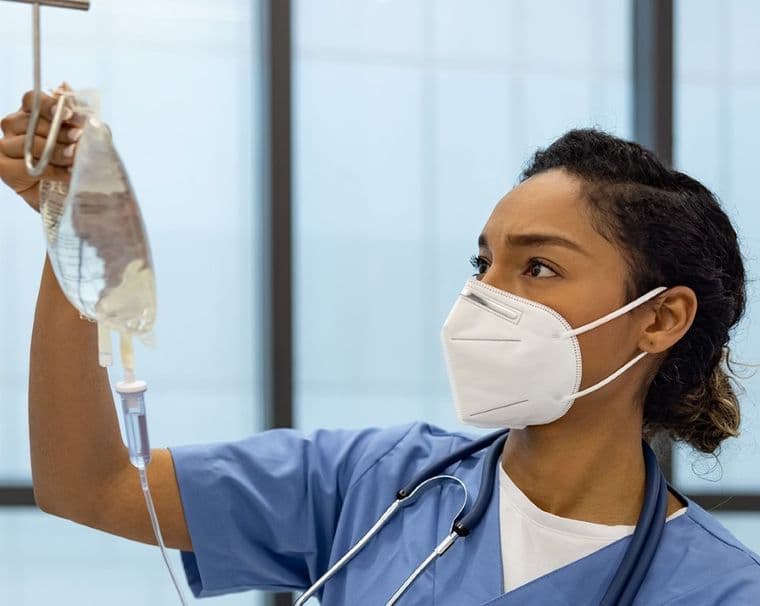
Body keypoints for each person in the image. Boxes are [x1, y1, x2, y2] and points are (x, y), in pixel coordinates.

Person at [2, 89, 759, 605]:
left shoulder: (721, 590)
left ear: (660, 320)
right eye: (481, 264)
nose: (485, 296)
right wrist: (75, 225)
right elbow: (88, 484)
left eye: (537, 267)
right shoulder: (377, 484)